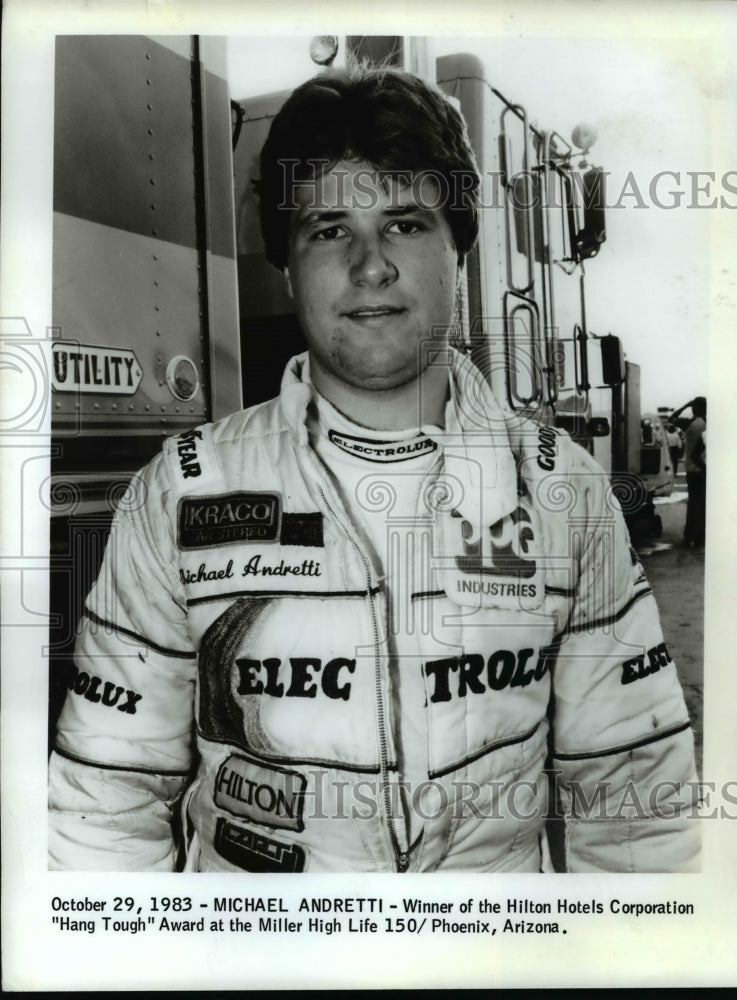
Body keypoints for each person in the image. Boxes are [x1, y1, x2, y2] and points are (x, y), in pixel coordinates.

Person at [49, 65, 700, 873]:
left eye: (404, 224)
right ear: (286, 265)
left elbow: (637, 801)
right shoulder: (180, 490)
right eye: (328, 229)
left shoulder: (562, 490)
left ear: (459, 247)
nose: (369, 266)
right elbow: (104, 805)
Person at [674, 397, 707, 547]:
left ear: (694, 409)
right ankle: (701, 538)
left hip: (692, 469)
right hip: (705, 469)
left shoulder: (690, 424)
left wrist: (686, 404)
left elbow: (672, 418)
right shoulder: (708, 423)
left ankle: (689, 537)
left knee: (693, 503)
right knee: (704, 504)